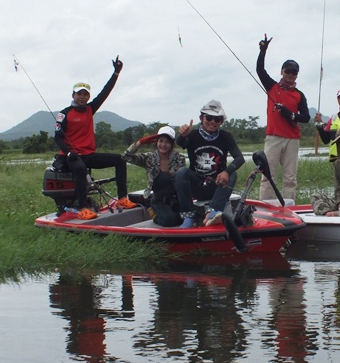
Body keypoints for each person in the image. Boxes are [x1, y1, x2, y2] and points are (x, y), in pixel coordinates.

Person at [54, 57, 136, 220]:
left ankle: (122, 199)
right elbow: (58, 137)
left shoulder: (90, 109)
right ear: (73, 95)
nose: (83, 97)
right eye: (79, 94)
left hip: (89, 155)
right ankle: (82, 207)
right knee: (80, 169)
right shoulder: (65, 114)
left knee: (120, 160)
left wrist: (116, 73)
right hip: (72, 156)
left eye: (86, 94)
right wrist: (68, 153)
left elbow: (105, 92)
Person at [175, 100, 246, 228]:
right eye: (209, 117)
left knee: (232, 173)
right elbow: (181, 143)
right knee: (181, 172)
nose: (212, 122)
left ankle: (213, 212)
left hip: (217, 185)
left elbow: (239, 158)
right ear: (201, 118)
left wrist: (226, 171)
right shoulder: (193, 135)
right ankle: (189, 216)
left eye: (217, 119)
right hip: (197, 185)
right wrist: (182, 135)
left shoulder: (226, 136)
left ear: (221, 122)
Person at [256, 34, 310, 202]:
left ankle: (289, 209)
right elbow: (260, 70)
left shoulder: (299, 95)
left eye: (294, 72)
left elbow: (306, 117)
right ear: (282, 71)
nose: (290, 74)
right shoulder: (272, 87)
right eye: (288, 71)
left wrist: (290, 115)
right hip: (273, 138)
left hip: (292, 140)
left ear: (297, 75)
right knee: (267, 176)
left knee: (290, 179)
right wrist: (263, 51)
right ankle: (266, 208)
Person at [122, 126, 187, 227]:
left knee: (184, 218)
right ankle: (153, 213)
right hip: (158, 199)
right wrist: (140, 142)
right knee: (170, 221)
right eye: (161, 141)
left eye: (167, 142)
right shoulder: (149, 158)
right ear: (156, 142)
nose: (163, 145)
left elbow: (182, 180)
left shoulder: (179, 158)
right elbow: (125, 156)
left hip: (175, 198)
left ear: (172, 144)